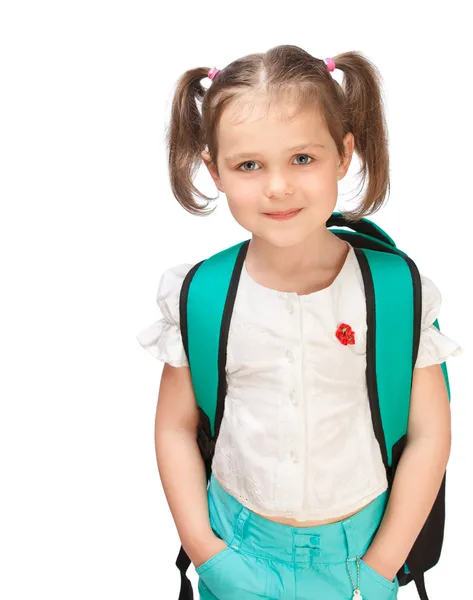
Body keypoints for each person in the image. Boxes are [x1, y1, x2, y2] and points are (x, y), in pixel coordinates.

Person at [136, 46, 463, 600]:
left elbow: (429, 434)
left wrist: (381, 569)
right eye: (249, 165)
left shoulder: (394, 292)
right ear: (214, 169)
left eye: (303, 159)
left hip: (360, 554)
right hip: (237, 546)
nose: (278, 187)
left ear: (344, 153)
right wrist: (209, 556)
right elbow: (174, 428)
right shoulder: (202, 294)